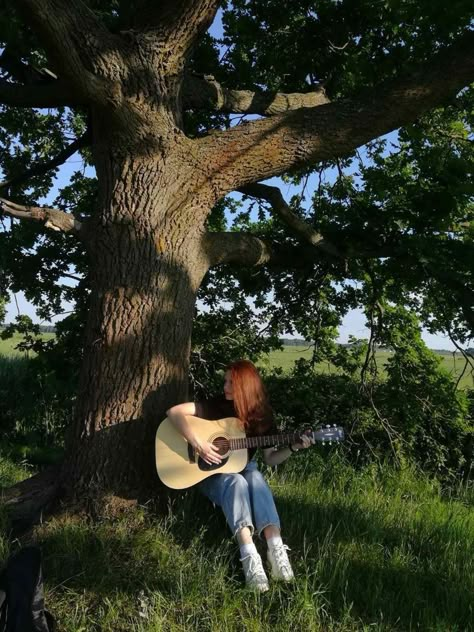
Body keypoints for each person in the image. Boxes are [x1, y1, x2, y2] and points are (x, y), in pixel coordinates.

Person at [167, 359, 314, 592]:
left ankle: (275, 548)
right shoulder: (216, 405)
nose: (225, 387)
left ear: (245, 387)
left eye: (231, 383)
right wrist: (199, 445)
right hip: (209, 475)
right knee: (236, 480)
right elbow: (174, 412)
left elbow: (270, 459)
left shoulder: (262, 416)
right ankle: (250, 556)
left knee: (254, 477)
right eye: (225, 381)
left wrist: (294, 447)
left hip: (245, 468)